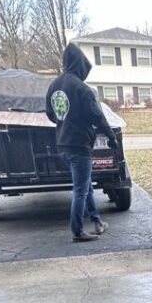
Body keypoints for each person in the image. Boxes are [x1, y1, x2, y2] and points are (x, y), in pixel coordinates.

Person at [46, 43, 118, 242]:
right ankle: (77, 231)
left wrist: (65, 122)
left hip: (62, 145)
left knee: (86, 186)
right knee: (80, 190)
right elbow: (97, 116)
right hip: (79, 147)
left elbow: (51, 115)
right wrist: (111, 137)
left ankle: (97, 221)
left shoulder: (54, 86)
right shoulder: (81, 88)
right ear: (80, 65)